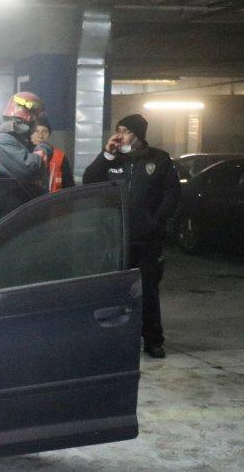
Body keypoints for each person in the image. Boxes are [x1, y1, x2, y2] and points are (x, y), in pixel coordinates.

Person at [82, 113, 181, 359]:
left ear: (139, 135)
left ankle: (153, 340)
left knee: (147, 290)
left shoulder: (158, 160)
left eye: (125, 130)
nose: (120, 134)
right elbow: (89, 180)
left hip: (146, 239)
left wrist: (155, 223)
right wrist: (107, 154)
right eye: (118, 129)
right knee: (114, 291)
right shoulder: (113, 159)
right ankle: (113, 340)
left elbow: (172, 194)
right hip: (114, 239)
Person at [0, 92, 48, 185]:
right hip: (5, 199)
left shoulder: (18, 142)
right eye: (36, 118)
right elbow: (28, 168)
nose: (37, 124)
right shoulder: (4, 141)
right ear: (30, 117)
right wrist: (44, 149)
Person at [32, 117, 74, 191]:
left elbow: (69, 186)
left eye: (45, 132)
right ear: (30, 133)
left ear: (49, 135)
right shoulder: (23, 154)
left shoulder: (59, 156)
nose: (40, 135)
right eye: (36, 131)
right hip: (30, 201)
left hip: (53, 201)